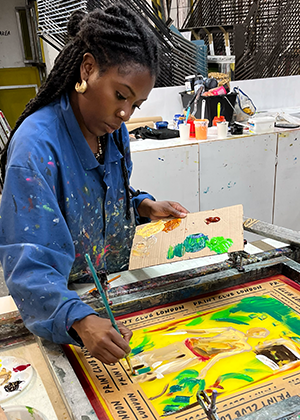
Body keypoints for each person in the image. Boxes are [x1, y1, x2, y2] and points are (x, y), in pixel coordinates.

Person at [0, 4, 188, 365]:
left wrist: (143, 206)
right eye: (121, 96)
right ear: (88, 69)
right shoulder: (36, 149)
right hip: (63, 311)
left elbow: (103, 199)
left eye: (136, 104)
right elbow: (27, 264)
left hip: (116, 288)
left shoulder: (112, 132)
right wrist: (80, 320)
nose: (125, 114)